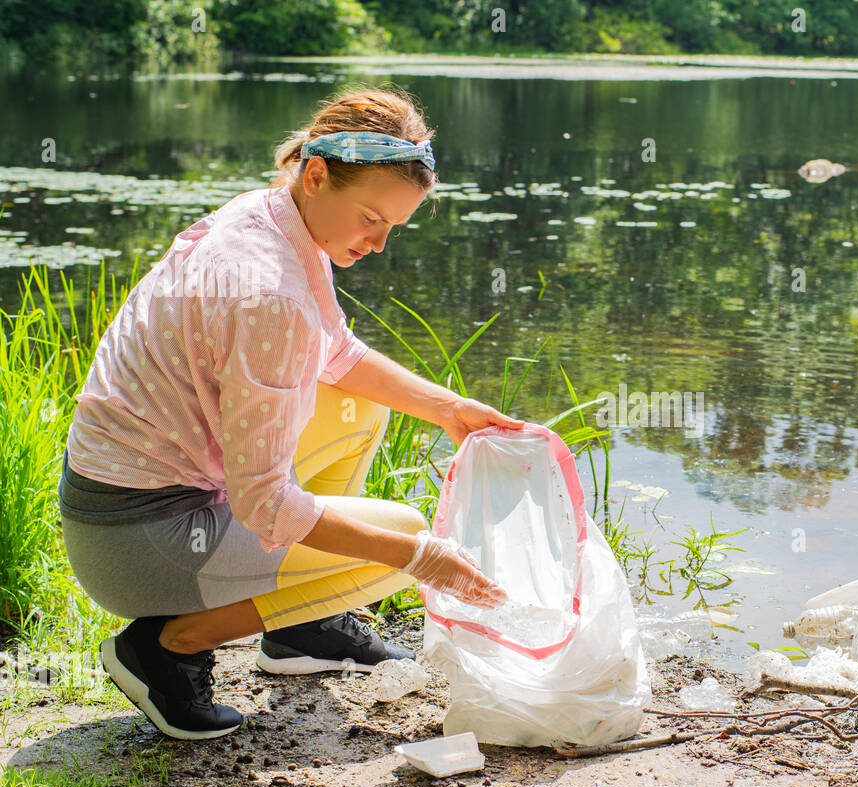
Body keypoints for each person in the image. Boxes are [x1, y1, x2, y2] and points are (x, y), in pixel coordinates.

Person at [59, 85, 523, 741]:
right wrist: (419, 558)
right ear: (316, 173)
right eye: (371, 217)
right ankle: (166, 648)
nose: (379, 243)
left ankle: (301, 627)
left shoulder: (275, 217)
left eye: (394, 226)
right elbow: (266, 507)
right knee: (396, 541)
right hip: (138, 542)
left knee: (358, 408)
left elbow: (335, 351)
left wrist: (447, 408)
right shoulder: (269, 291)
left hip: (124, 504)